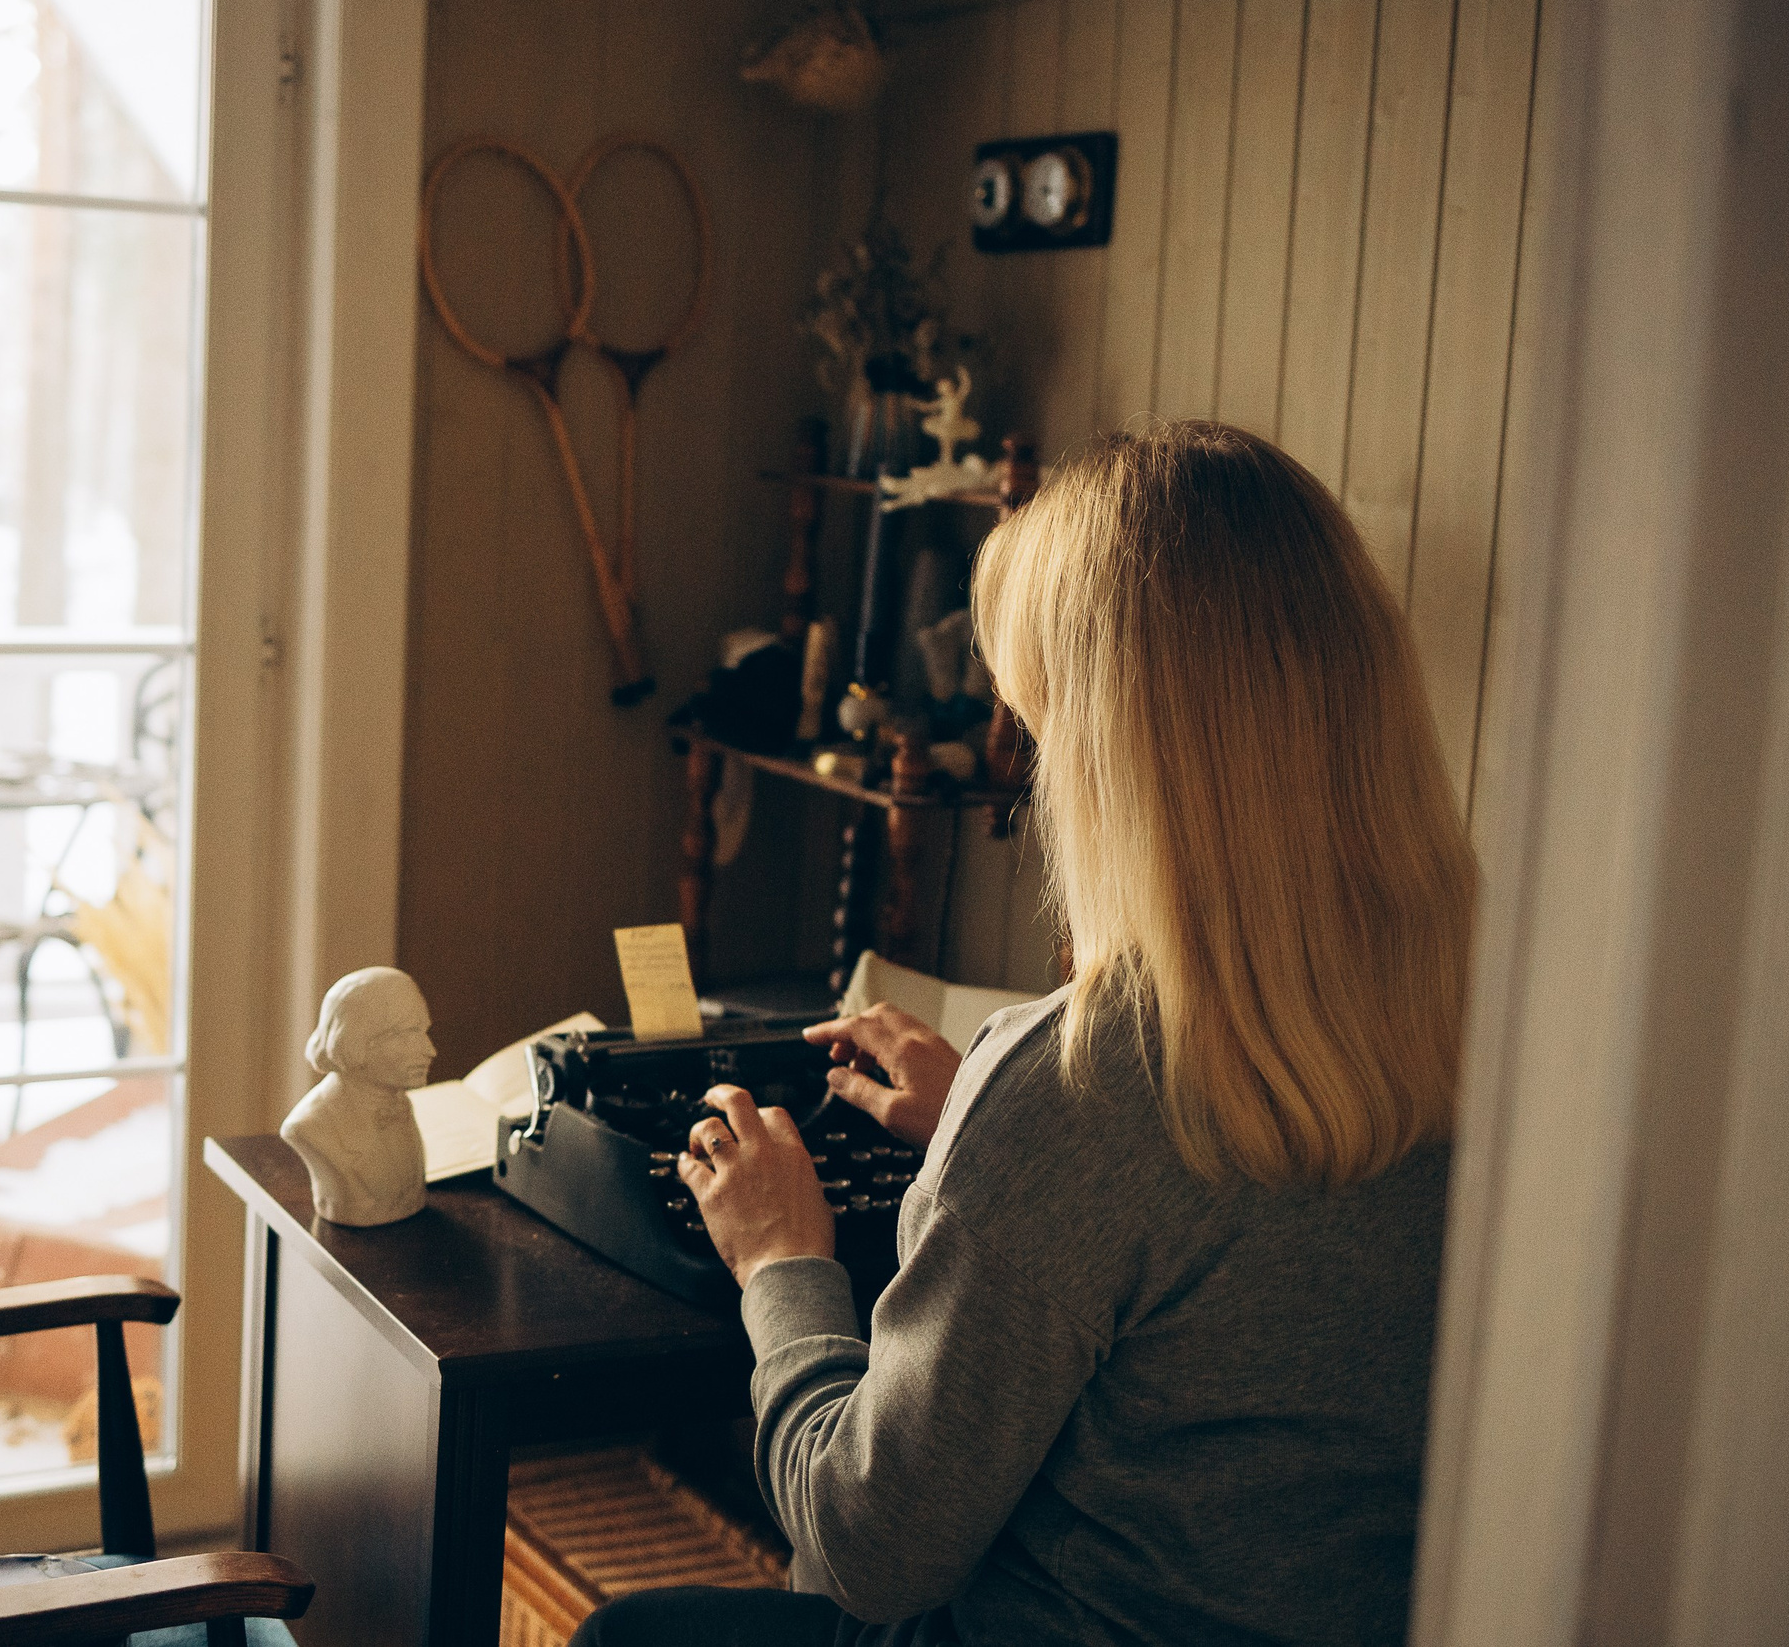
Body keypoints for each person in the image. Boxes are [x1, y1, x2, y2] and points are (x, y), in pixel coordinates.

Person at [572, 421, 1477, 1647]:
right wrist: (981, 1140)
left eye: (1039, 727)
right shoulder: (1482, 1021)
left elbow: (861, 1547)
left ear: (1115, 760)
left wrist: (783, 1261)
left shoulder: (1080, 1086)